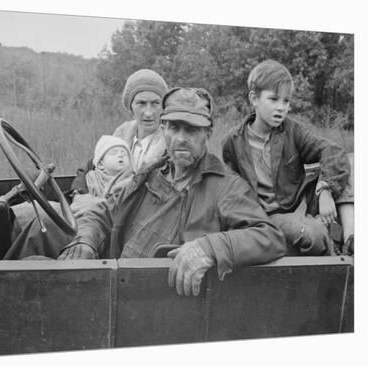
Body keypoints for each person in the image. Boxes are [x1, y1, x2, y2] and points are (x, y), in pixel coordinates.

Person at [58, 87, 286, 297]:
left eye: (192, 130)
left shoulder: (226, 186)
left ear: (208, 132)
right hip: (115, 283)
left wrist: (208, 247)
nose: (181, 139)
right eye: (174, 127)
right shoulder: (148, 174)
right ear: (163, 129)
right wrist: (85, 240)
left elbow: (270, 237)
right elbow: (106, 212)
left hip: (159, 301)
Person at [221, 59, 351, 256]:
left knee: (354, 161)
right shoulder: (233, 141)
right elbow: (231, 189)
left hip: (299, 204)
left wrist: (325, 189)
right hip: (268, 216)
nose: (281, 108)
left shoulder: (292, 130)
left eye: (286, 101)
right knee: (313, 235)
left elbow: (332, 151)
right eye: (274, 99)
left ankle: (349, 240)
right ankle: (320, 238)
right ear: (254, 99)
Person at [5, 135, 132, 259]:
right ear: (100, 165)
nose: (120, 155)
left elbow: (106, 208)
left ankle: (10, 273)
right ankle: (14, 267)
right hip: (79, 217)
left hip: (103, 232)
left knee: (44, 220)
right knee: (27, 212)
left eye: (125, 154)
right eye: (114, 153)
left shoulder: (132, 182)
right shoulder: (89, 179)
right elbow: (77, 197)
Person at [71, 69, 168, 195]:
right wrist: (78, 195)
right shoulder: (120, 136)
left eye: (155, 103)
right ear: (131, 107)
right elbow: (88, 168)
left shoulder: (170, 147)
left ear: (163, 108)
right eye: (141, 103)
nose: (148, 113)